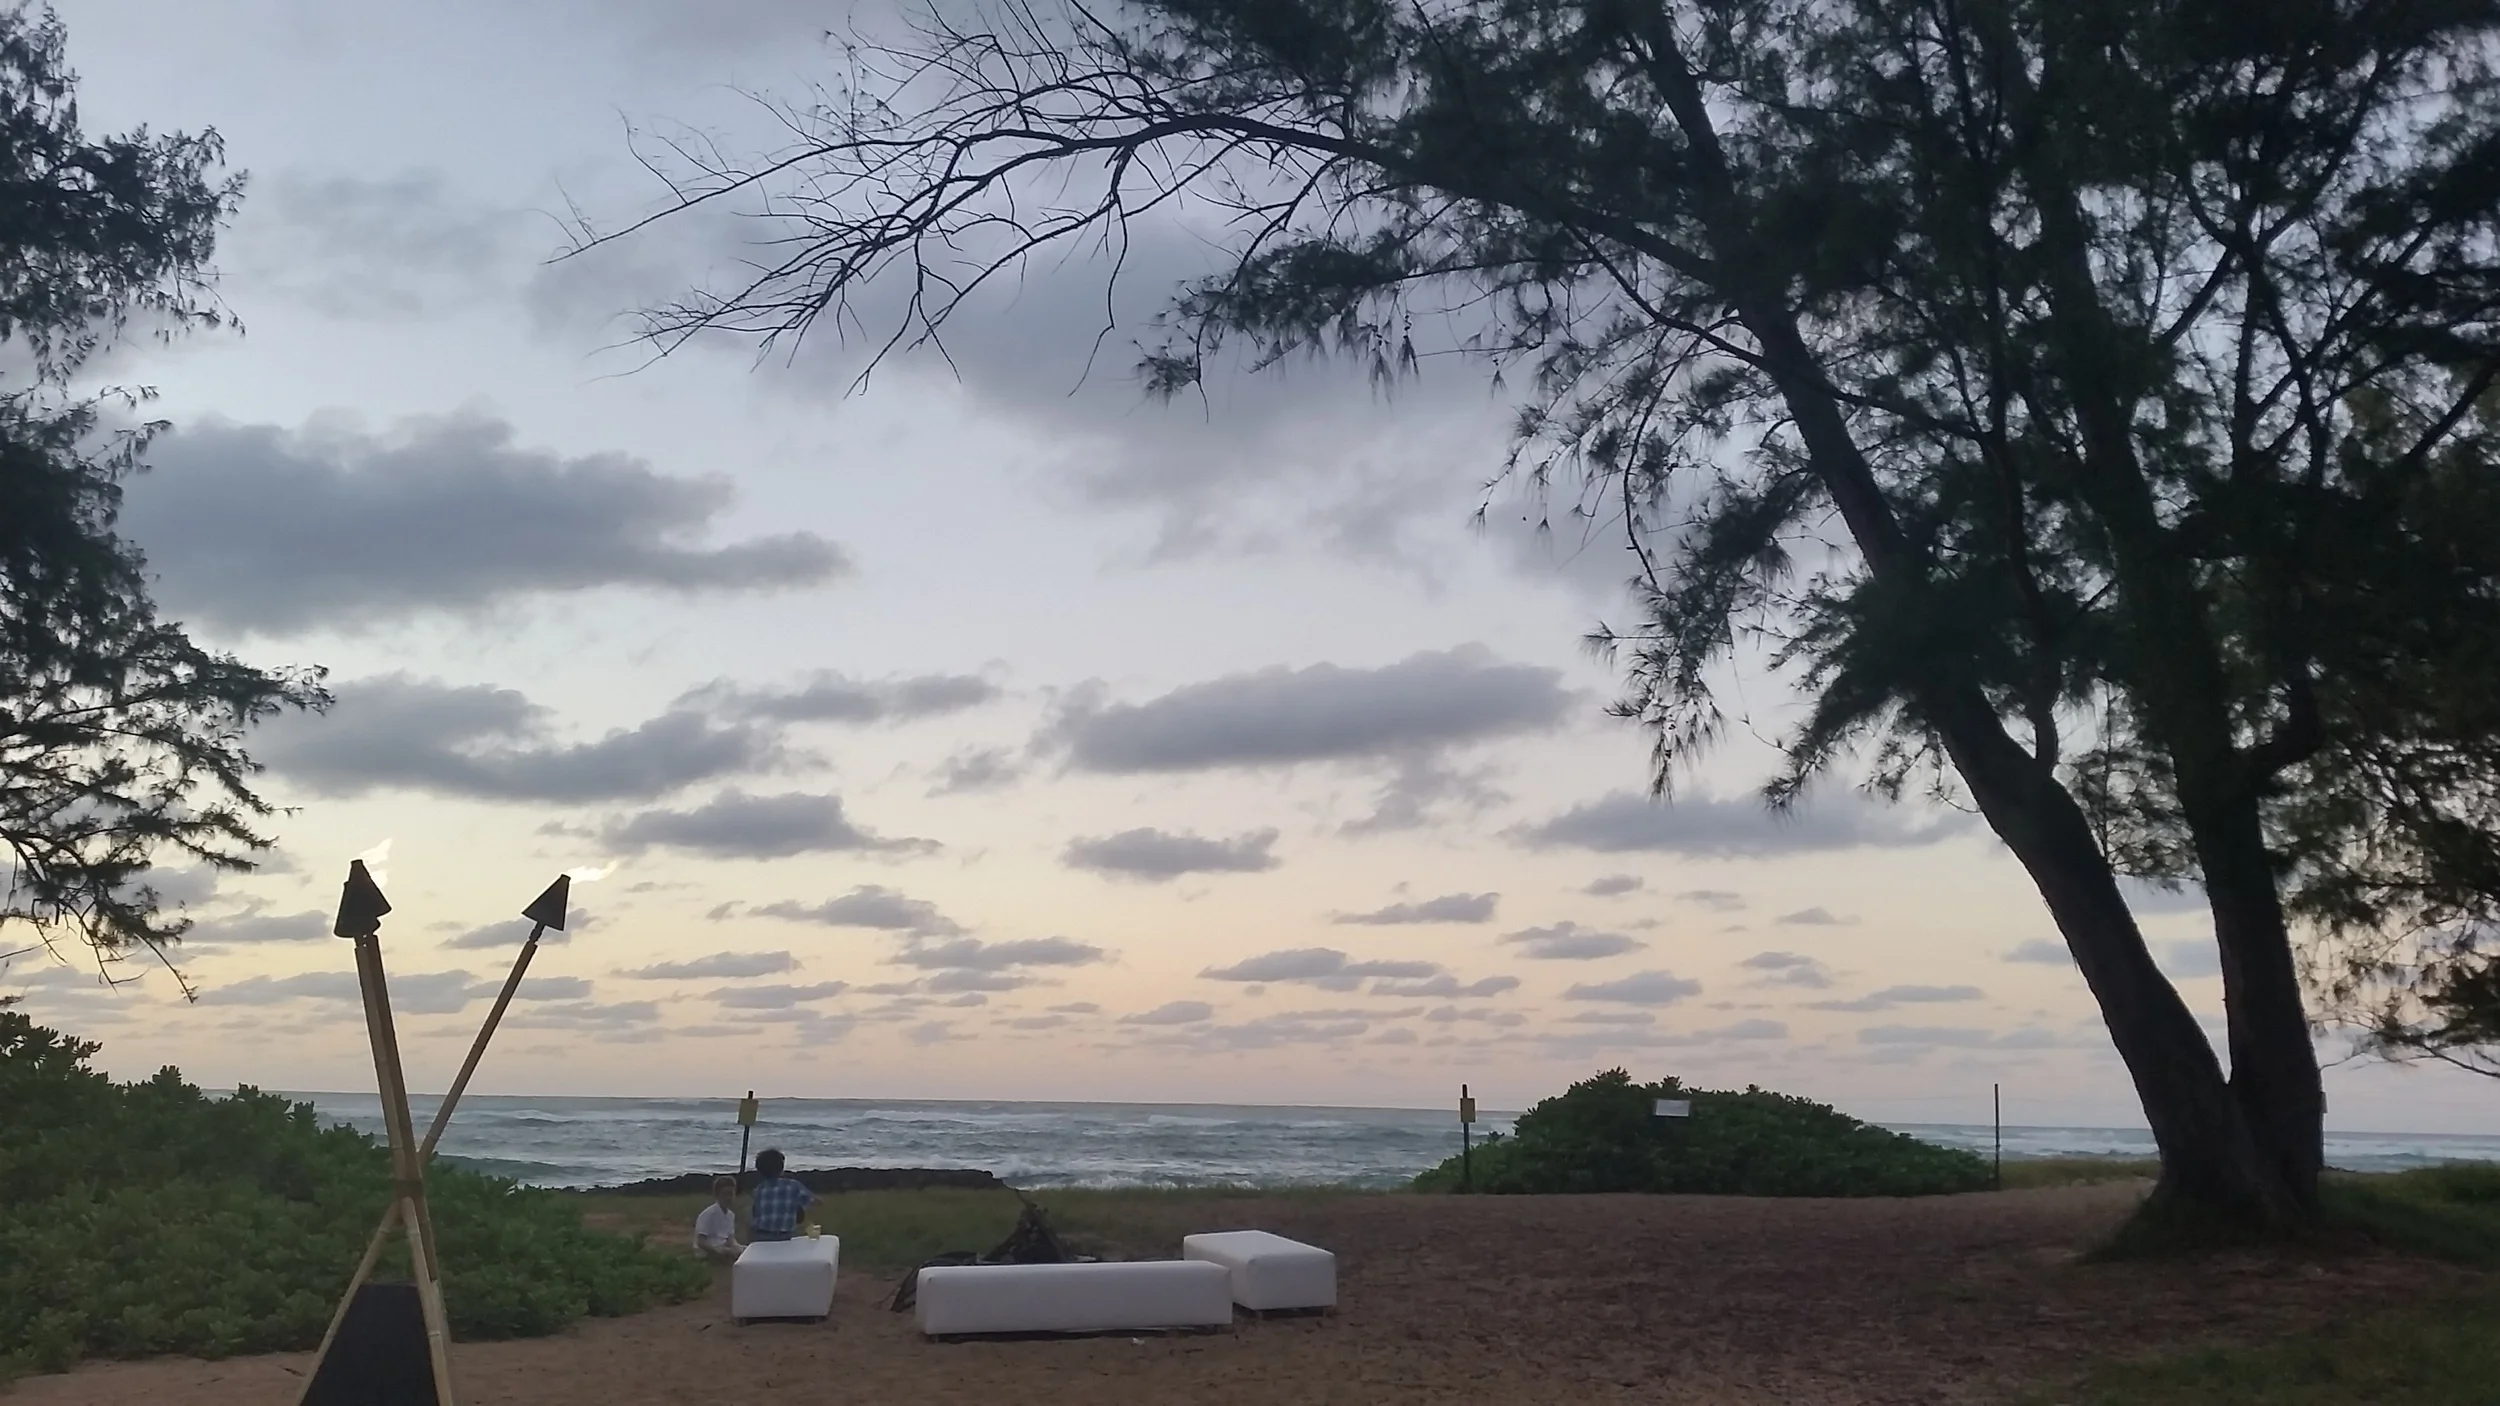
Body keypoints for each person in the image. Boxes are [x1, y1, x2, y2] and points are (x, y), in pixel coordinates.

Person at [746, 1148, 814, 1242]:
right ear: (781, 1168)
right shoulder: (793, 1185)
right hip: (785, 1236)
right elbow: (813, 1202)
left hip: (760, 1236)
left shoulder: (758, 1190)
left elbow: (755, 1214)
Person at [692, 1175, 742, 1263]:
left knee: (746, 1251)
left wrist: (737, 1247)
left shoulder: (730, 1215)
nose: (728, 1198)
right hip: (708, 1250)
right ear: (717, 1195)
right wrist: (718, 1250)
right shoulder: (708, 1214)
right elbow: (701, 1242)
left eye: (731, 1194)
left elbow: (730, 1239)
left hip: (723, 1247)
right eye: (724, 1194)